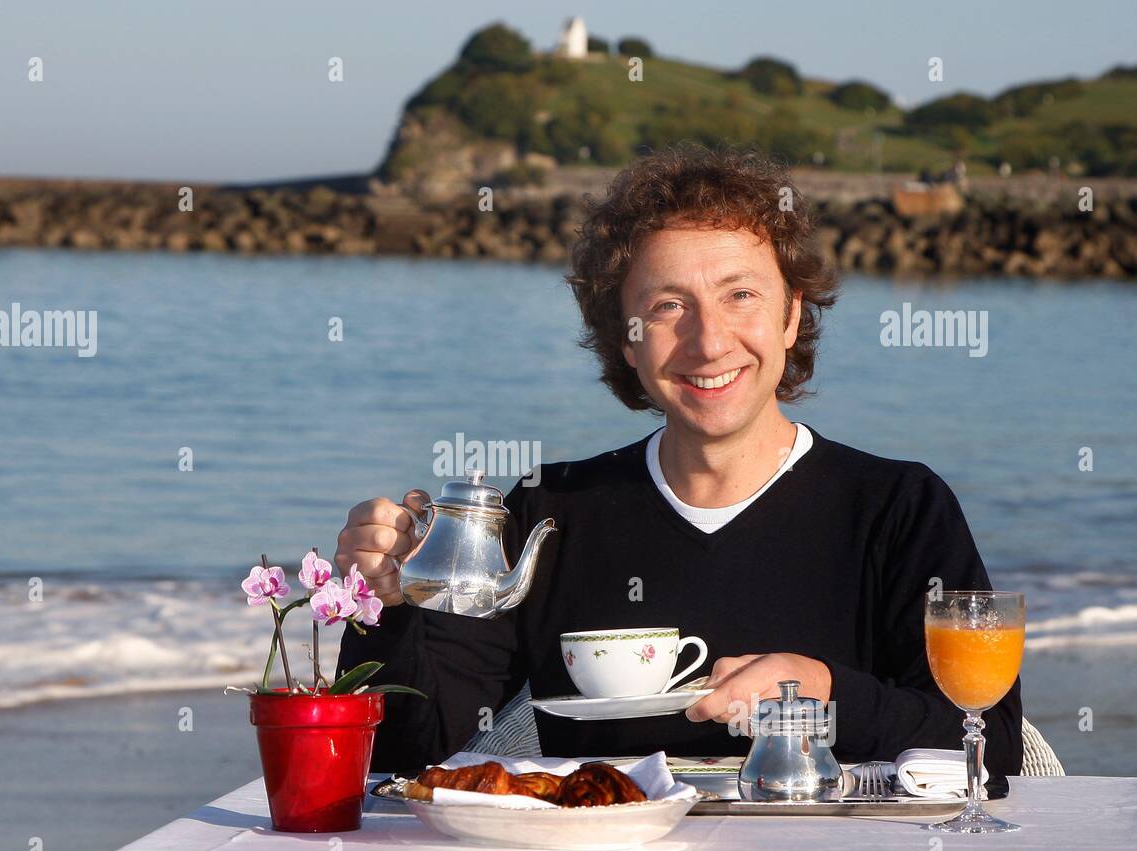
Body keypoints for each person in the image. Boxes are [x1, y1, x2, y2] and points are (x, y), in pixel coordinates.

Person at [334, 143, 1023, 777]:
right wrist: (386, 607)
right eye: (668, 306)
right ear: (626, 341)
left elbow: (989, 741)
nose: (708, 341)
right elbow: (405, 753)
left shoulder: (899, 508)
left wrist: (821, 690)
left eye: (740, 295)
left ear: (790, 316)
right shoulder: (549, 511)